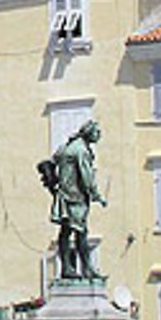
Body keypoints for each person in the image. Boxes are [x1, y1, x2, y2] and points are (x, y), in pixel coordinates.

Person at [47, 119, 107, 280]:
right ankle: (86, 268)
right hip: (75, 196)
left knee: (65, 232)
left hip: (64, 194)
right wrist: (97, 195)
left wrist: (55, 183)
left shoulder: (68, 146)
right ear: (89, 132)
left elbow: (52, 161)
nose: (99, 134)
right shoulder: (81, 150)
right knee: (81, 232)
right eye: (96, 132)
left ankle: (68, 267)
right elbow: (86, 175)